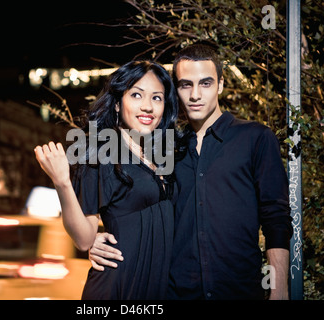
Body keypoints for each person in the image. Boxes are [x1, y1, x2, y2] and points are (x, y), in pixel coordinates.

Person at [88, 44, 293, 300]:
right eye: (186, 85)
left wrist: (280, 289)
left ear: (220, 84)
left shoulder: (255, 138)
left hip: (239, 292)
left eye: (205, 83)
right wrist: (93, 241)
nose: (195, 94)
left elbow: (277, 219)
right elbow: (138, 208)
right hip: (176, 294)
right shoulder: (165, 149)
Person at [34, 60, 179, 299]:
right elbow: (83, 239)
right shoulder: (100, 154)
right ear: (117, 105)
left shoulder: (166, 152)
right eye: (136, 95)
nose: (147, 107)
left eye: (157, 98)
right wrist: (62, 183)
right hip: (117, 288)